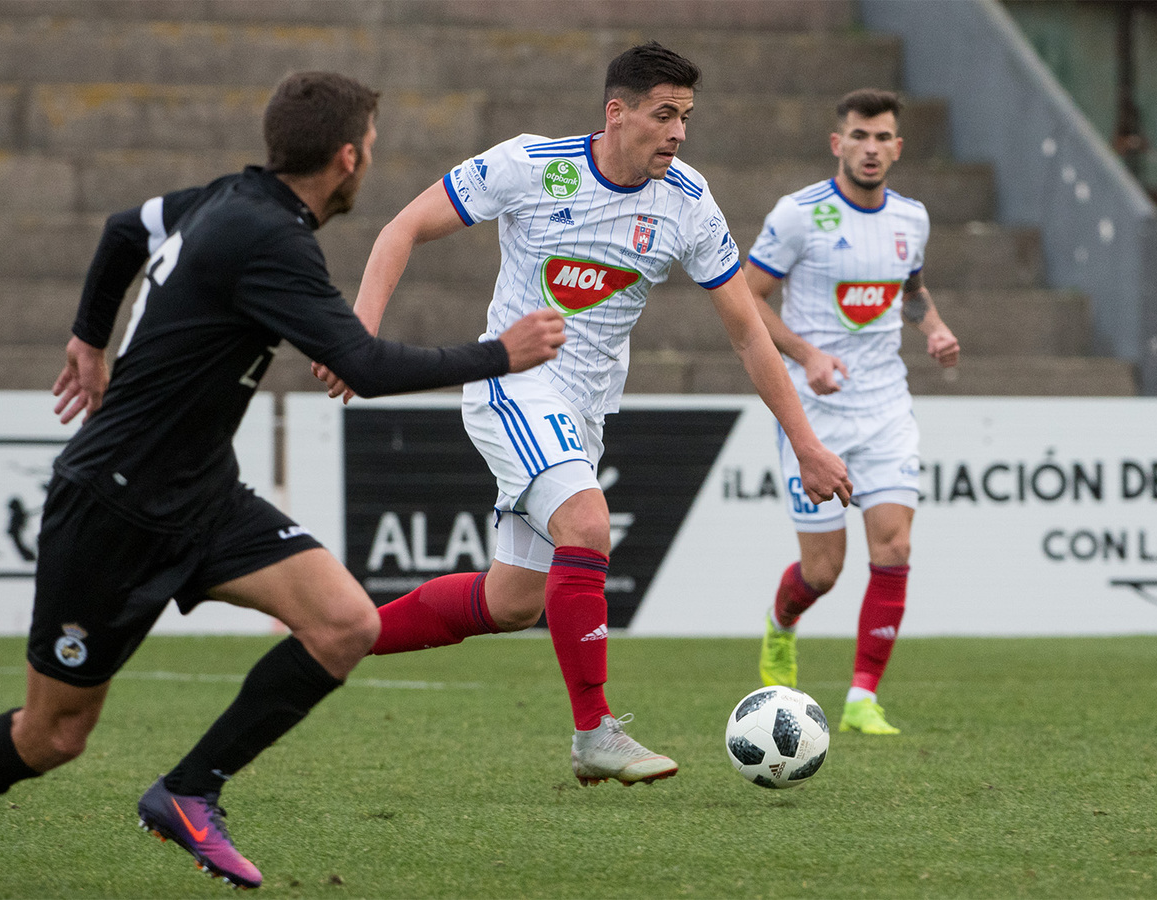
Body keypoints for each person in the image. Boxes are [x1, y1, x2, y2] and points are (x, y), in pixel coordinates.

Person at [0, 71, 566, 893]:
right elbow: (364, 366)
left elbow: (125, 229)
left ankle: (189, 791)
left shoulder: (227, 199)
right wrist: (500, 353)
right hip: (112, 508)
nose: (370, 161)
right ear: (346, 158)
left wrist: (90, 337)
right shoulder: (268, 238)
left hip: (202, 497)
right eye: (370, 147)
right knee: (52, 737)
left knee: (344, 624)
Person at [314, 41, 853, 786]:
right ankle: (595, 732)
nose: (678, 132)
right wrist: (359, 339)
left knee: (510, 602)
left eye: (686, 117)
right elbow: (400, 228)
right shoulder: (532, 166)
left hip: (584, 413)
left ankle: (336, 634)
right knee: (588, 524)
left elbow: (747, 334)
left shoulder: (687, 202)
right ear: (617, 112)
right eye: (664, 115)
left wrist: (806, 442)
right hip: (511, 384)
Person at [744, 89, 958, 735]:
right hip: (816, 412)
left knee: (894, 546)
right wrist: (806, 354)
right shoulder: (799, 214)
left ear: (898, 147)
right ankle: (781, 623)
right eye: (859, 136)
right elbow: (746, 299)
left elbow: (911, 291)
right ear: (838, 144)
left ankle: (863, 698)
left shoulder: (912, 219)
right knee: (824, 570)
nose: (871, 148)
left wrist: (934, 328)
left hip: (886, 404)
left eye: (883, 137)